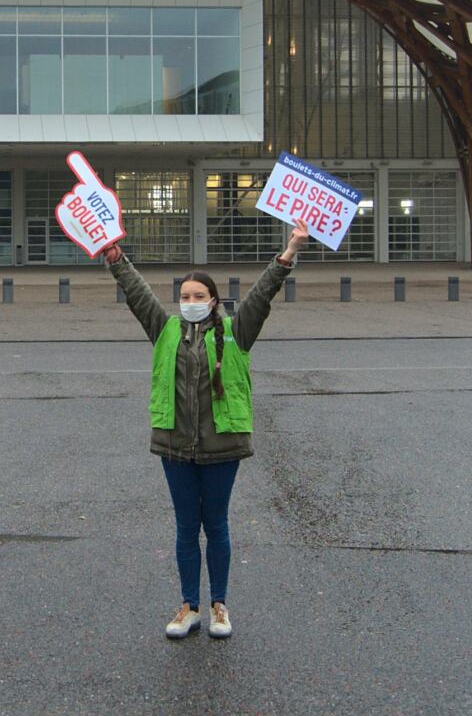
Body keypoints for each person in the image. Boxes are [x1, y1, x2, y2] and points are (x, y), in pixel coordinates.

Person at [103, 218, 310, 640]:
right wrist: (115, 259)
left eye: (199, 295)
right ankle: (188, 607)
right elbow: (137, 294)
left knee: (215, 525)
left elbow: (262, 294)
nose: (191, 301)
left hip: (222, 446)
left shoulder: (236, 331)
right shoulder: (165, 331)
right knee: (184, 527)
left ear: (214, 300)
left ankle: (219, 605)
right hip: (175, 445)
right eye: (184, 296)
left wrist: (289, 252)